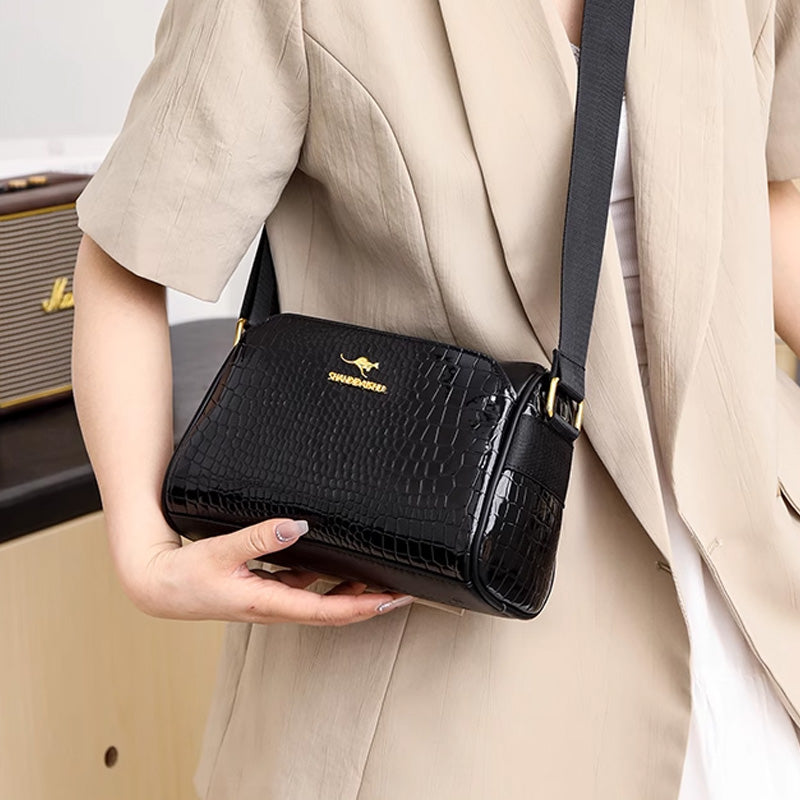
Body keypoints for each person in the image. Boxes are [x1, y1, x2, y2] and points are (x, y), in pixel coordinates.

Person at [71, 0, 800, 797]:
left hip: (752, 599)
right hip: (447, 652)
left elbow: (766, 198)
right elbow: (131, 251)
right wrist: (144, 555)